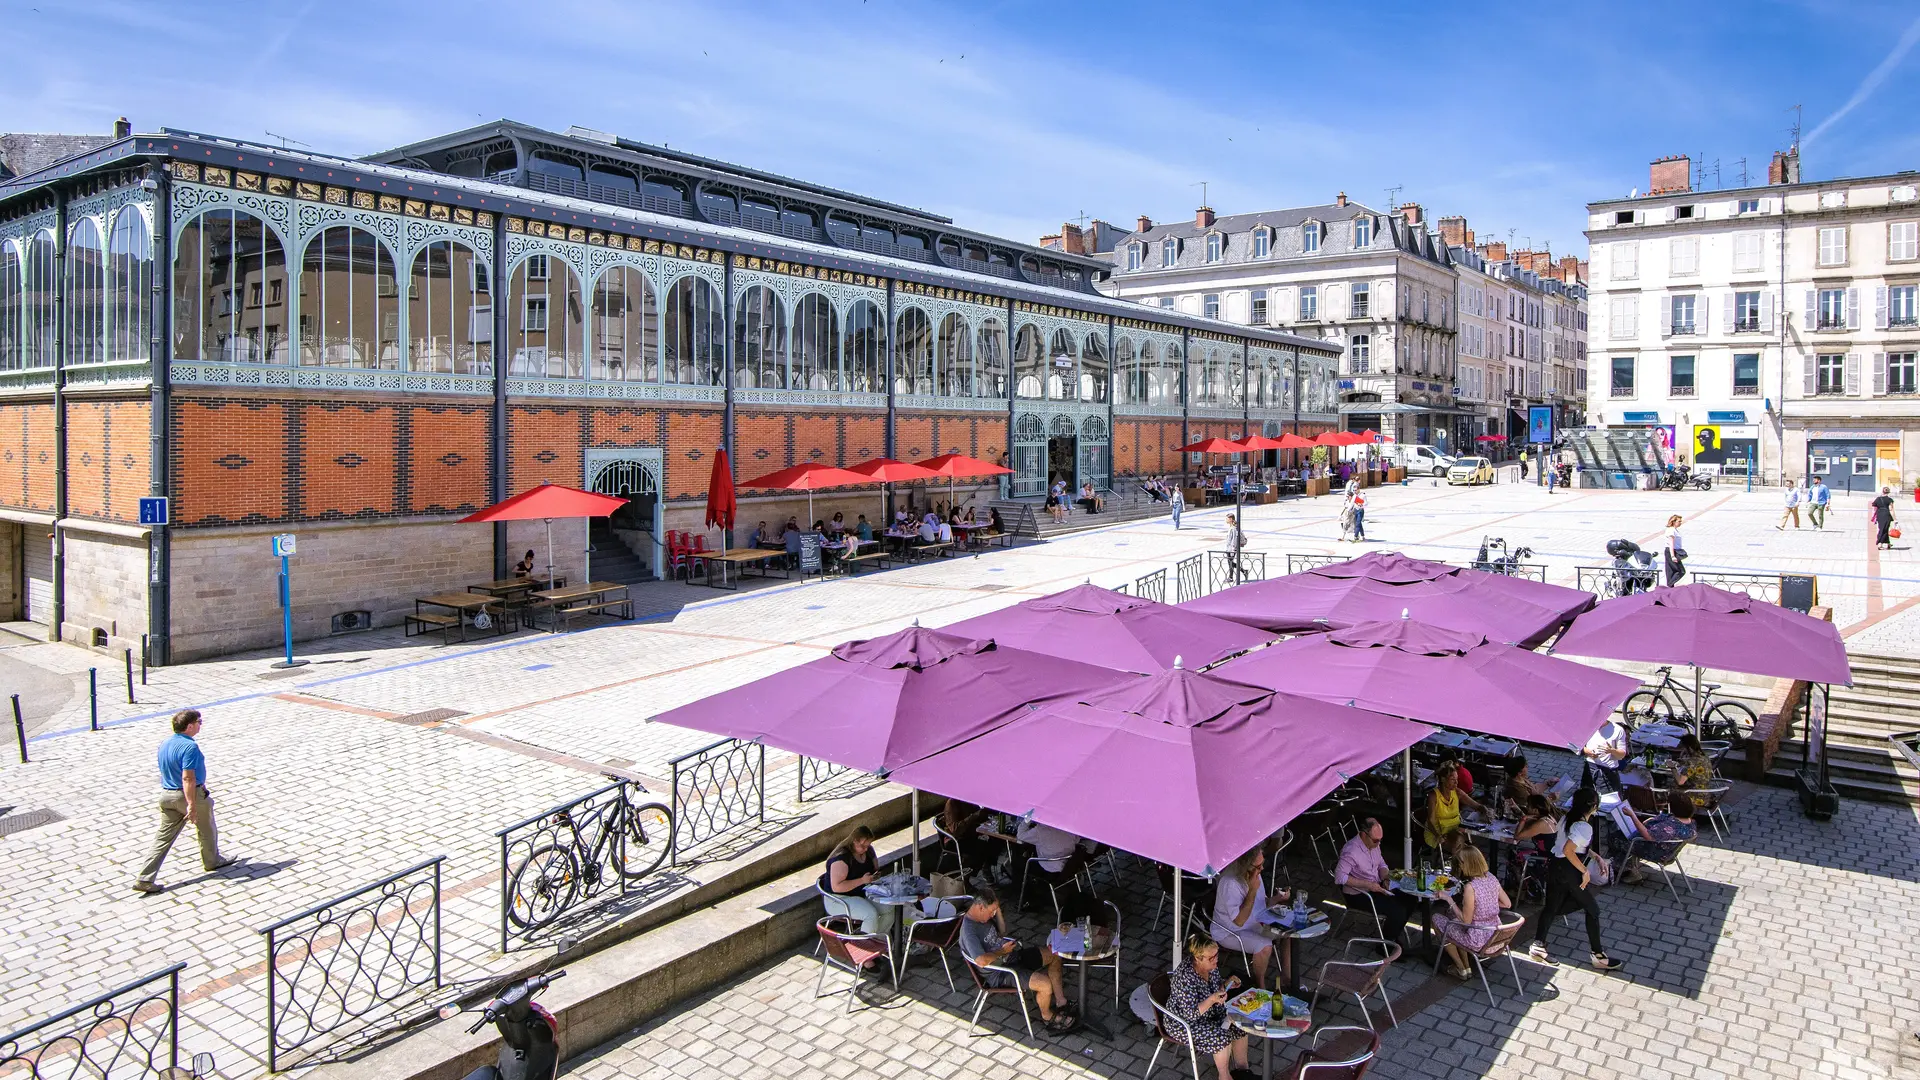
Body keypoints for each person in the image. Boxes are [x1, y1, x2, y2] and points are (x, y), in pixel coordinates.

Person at [135, 709, 235, 893]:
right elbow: (188, 778)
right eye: (199, 722)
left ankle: (144, 877)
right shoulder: (190, 747)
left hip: (167, 795)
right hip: (189, 794)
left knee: (163, 838)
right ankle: (212, 861)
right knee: (206, 828)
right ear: (189, 726)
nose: (200, 725)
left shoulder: (165, 743)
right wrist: (191, 805)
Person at [1523, 788, 1623, 971]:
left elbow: (1569, 846)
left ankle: (1538, 945)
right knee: (1592, 909)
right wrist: (1584, 871)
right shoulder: (1584, 827)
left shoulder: (1566, 818)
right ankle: (1598, 955)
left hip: (1555, 867)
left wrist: (1595, 856)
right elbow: (1569, 850)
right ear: (1594, 806)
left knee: (1552, 907)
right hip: (1569, 871)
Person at [958, 888, 1074, 1032]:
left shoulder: (983, 917)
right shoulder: (969, 931)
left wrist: (997, 910)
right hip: (1000, 972)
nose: (993, 914)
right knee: (1044, 984)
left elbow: (1001, 932)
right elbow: (981, 961)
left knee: (1055, 955)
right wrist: (1002, 951)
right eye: (991, 911)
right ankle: (1047, 1017)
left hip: (1011, 957)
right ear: (980, 907)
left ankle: (1061, 1001)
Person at [1165, 933, 1254, 1080]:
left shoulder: (1210, 965)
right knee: (1221, 1037)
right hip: (1184, 1022)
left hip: (1210, 1012)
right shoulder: (1185, 977)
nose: (1216, 960)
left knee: (1239, 1024)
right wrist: (1212, 999)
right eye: (1211, 957)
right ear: (1198, 959)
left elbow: (1216, 987)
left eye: (1217, 955)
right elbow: (1191, 1015)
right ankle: (1224, 1076)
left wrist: (1227, 984)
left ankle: (1243, 1070)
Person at [1433, 846, 1509, 980]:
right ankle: (1467, 967)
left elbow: (1466, 922)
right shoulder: (1491, 877)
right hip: (1496, 936)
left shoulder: (1471, 887)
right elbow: (1507, 904)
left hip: (1478, 940)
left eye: (1460, 863)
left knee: (1437, 919)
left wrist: (1448, 899)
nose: (1459, 866)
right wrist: (1486, 905)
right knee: (1452, 918)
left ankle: (1461, 968)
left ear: (1466, 864)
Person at [1333, 818, 1413, 944]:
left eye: (1380, 840)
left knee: (1410, 898)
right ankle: (1385, 945)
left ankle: (1392, 934)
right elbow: (1339, 877)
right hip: (1358, 894)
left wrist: (1386, 877)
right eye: (1376, 840)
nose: (1378, 843)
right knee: (1398, 910)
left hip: (1377, 886)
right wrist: (1368, 885)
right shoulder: (1351, 851)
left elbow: (1381, 863)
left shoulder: (1373, 843)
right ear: (1364, 835)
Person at [1208, 848, 1276, 991]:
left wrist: (1278, 899)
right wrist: (1252, 890)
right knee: (1264, 946)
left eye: (1262, 863)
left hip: (1254, 924)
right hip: (1230, 931)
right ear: (1246, 866)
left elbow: (1261, 904)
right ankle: (1260, 987)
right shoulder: (1230, 883)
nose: (1262, 868)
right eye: (1258, 866)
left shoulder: (1254, 874)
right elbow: (1239, 920)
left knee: (1287, 933)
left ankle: (1288, 979)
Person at [818, 825, 895, 937]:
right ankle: (863, 946)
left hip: (861, 893)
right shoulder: (842, 858)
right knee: (870, 914)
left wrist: (874, 876)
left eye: (868, 845)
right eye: (863, 846)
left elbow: (874, 868)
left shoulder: (868, 852)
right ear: (854, 841)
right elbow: (837, 887)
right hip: (838, 899)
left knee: (889, 907)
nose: (866, 849)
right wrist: (862, 880)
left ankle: (877, 939)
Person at [1615, 793, 1699, 884]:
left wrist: (1632, 816)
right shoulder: (1690, 822)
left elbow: (1649, 836)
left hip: (1655, 852)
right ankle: (1625, 865)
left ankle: (1626, 871)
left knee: (1617, 838)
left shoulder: (1671, 826)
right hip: (1669, 852)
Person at [1423, 761, 1485, 850]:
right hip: (1437, 833)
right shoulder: (1434, 796)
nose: (1456, 782)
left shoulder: (1457, 792)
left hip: (1454, 831)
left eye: (1457, 779)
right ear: (1443, 779)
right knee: (1461, 846)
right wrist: (1438, 835)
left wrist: (1484, 809)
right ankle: (1458, 862)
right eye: (1453, 779)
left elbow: (1475, 805)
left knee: (1464, 845)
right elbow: (1431, 821)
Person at [940, 797, 1001, 883]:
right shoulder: (952, 803)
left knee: (997, 840)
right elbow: (955, 830)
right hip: (955, 840)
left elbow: (979, 817)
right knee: (981, 848)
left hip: (970, 835)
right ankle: (966, 878)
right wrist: (974, 816)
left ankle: (987, 866)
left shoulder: (970, 800)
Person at [1581, 716, 1629, 795]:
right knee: (1586, 800)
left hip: (1608, 771)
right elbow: (1575, 746)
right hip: (1589, 768)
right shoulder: (1587, 726)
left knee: (1607, 802)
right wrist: (1586, 751)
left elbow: (1621, 755)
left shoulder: (1618, 730)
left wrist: (1612, 751)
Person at [1664, 514, 1688, 587]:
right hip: (1672, 551)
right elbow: (1671, 543)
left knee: (1671, 571)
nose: (1680, 523)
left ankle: (1670, 586)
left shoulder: (1674, 529)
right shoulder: (1671, 530)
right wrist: (1673, 556)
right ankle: (1670, 585)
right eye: (1679, 521)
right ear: (1673, 521)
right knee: (1681, 571)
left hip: (1673, 551)